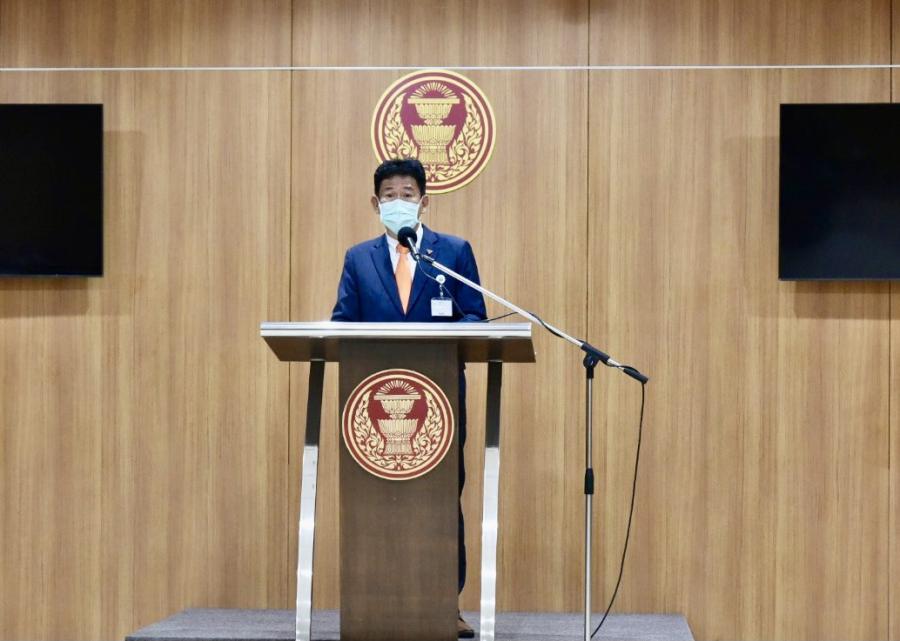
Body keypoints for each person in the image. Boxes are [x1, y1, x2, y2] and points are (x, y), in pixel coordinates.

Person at [331, 158, 486, 638]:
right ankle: (372, 602)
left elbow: (475, 317)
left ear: (424, 201)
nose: (398, 202)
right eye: (389, 196)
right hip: (373, 402)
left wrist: (443, 334)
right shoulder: (358, 259)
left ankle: (447, 605)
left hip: (438, 398)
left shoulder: (452, 252)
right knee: (374, 500)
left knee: (442, 500)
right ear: (375, 204)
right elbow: (341, 323)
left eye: (407, 194)